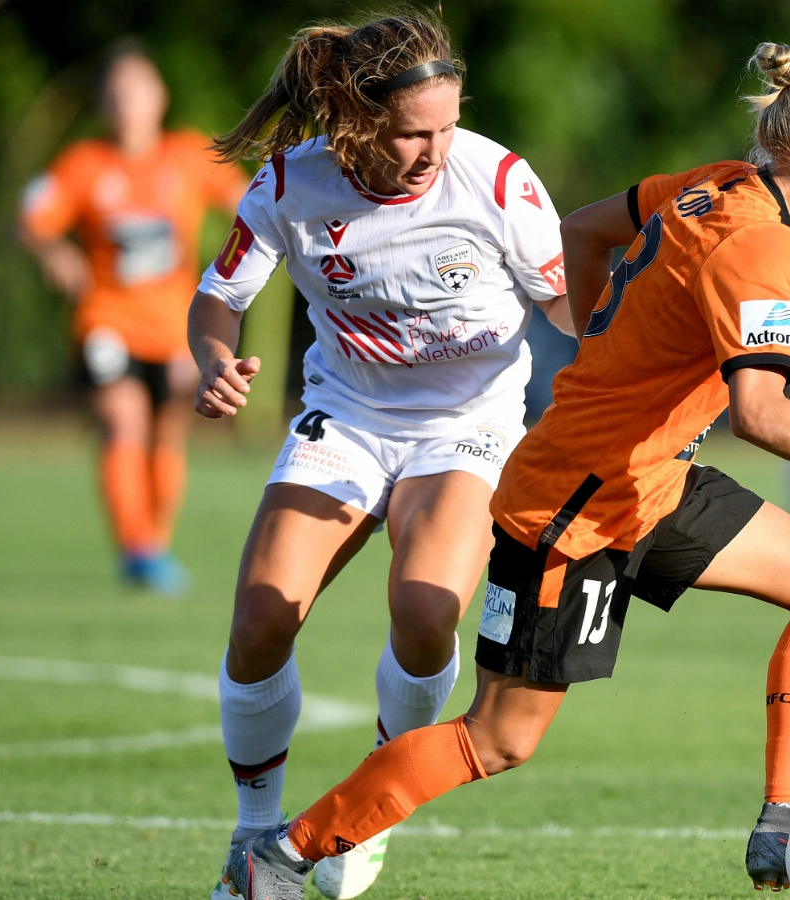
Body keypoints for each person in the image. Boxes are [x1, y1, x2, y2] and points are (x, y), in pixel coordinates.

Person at [219, 41, 790, 900]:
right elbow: (760, 414)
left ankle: (785, 820)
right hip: (575, 504)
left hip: (647, 479)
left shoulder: (716, 184)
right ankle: (280, 858)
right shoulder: (761, 246)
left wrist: (607, 347)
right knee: (499, 739)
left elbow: (583, 229)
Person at [188, 13, 573, 900]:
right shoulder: (292, 184)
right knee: (259, 622)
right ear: (356, 119)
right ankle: (256, 839)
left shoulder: (498, 180)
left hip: (469, 424)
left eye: (445, 126)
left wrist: (620, 342)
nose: (433, 148)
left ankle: (371, 808)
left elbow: (565, 304)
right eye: (411, 132)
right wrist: (215, 361)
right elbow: (218, 299)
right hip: (349, 419)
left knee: (424, 609)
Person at [19, 42, 249, 595]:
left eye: (137, 91)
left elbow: (252, 204)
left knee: (167, 434)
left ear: (159, 97)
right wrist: (55, 252)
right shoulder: (84, 165)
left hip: (175, 329)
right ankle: (136, 549)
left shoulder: (189, 156)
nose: (127, 104)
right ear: (103, 102)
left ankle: (155, 544)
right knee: (124, 422)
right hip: (106, 320)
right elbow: (31, 218)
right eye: (116, 94)